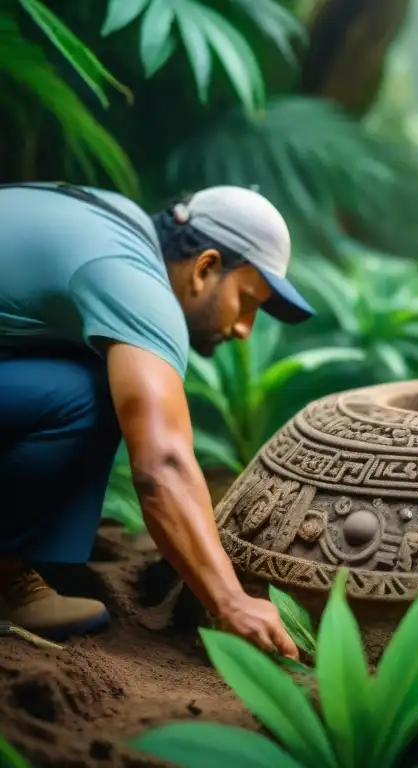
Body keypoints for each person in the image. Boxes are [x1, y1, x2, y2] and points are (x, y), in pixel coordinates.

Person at [0, 181, 309, 658]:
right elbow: (160, 464)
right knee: (93, 394)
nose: (245, 329)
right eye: (247, 302)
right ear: (206, 267)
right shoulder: (135, 283)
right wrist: (229, 602)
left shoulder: (120, 222)